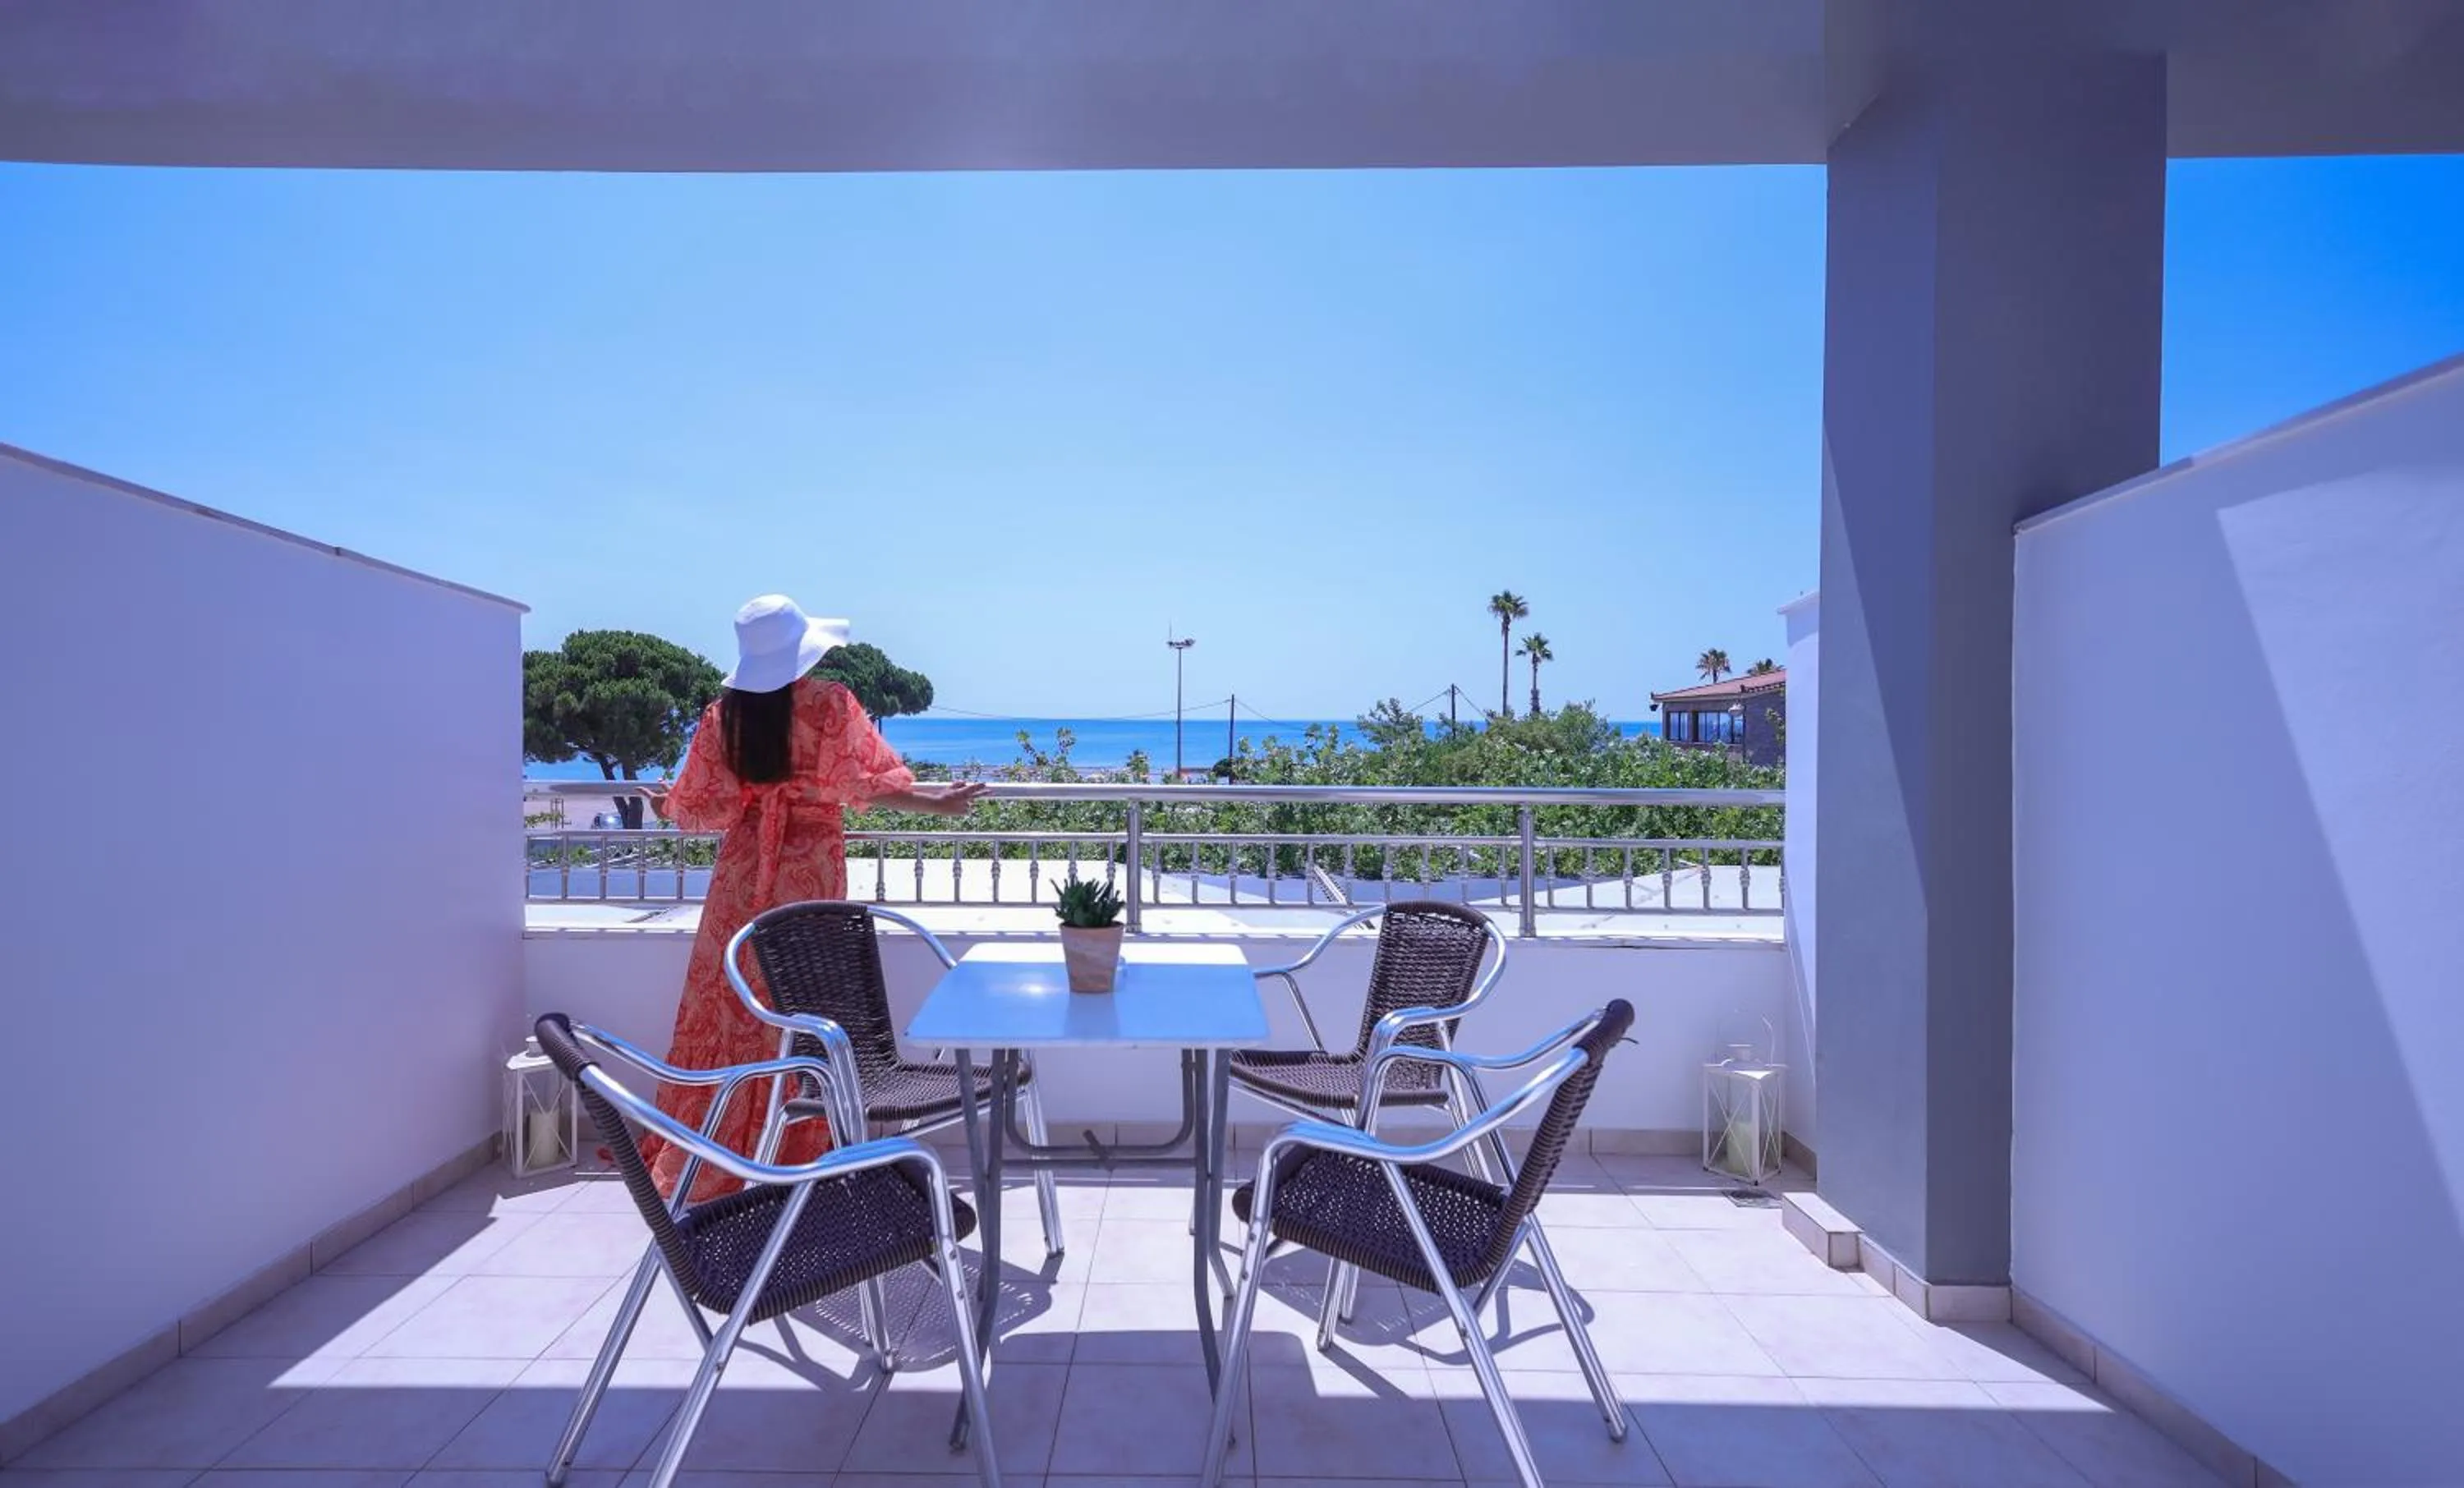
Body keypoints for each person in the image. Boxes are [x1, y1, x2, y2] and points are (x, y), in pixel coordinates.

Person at [639, 595, 983, 1200]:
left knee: (737, 1003)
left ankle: (728, 1145)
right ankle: (803, 1147)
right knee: (811, 1003)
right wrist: (938, 802)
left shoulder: (725, 717)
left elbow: (707, 807)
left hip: (742, 878)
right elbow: (866, 787)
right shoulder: (829, 704)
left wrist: (667, 802)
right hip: (810, 872)